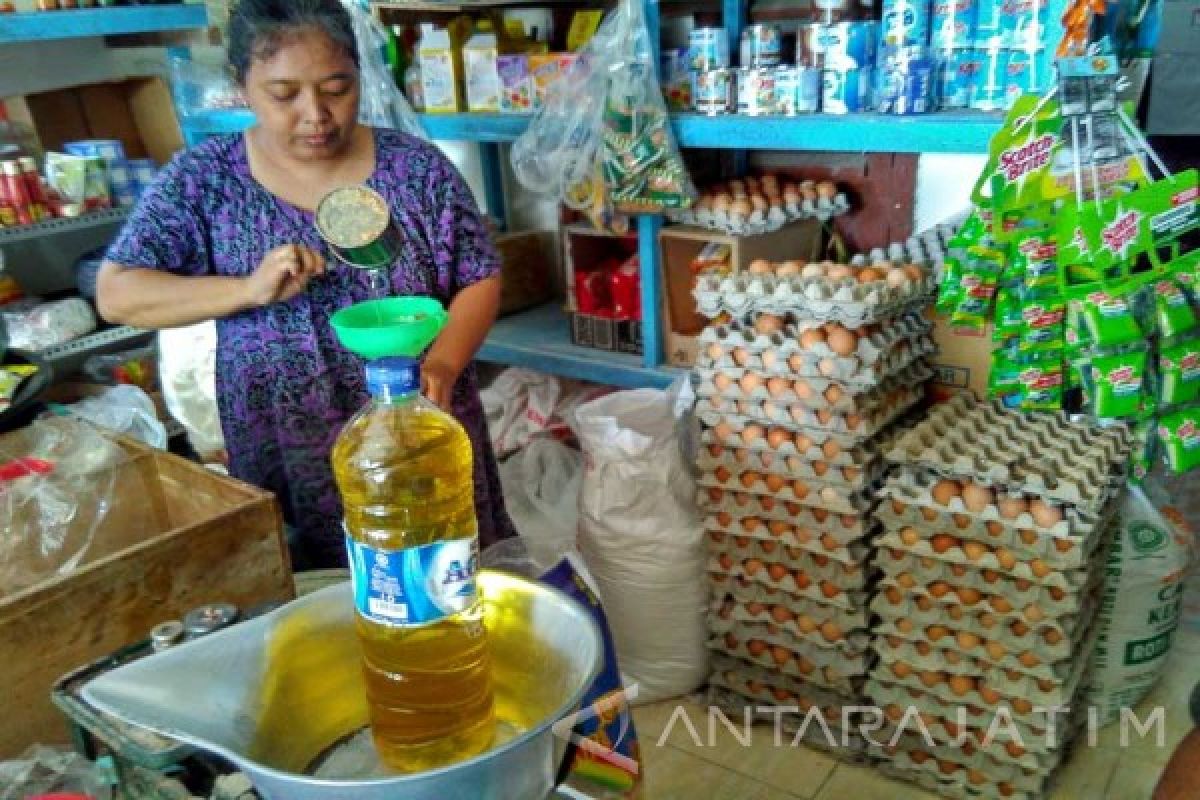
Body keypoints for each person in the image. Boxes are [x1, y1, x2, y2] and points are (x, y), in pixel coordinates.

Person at [96, 0, 515, 568]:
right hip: (285, 444)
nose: (316, 114)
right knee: (319, 604)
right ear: (241, 85)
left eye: (337, 88)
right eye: (283, 93)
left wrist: (441, 365)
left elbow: (479, 275)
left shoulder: (417, 171)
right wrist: (246, 288)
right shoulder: (206, 181)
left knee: (446, 583)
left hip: (418, 431)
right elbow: (117, 293)